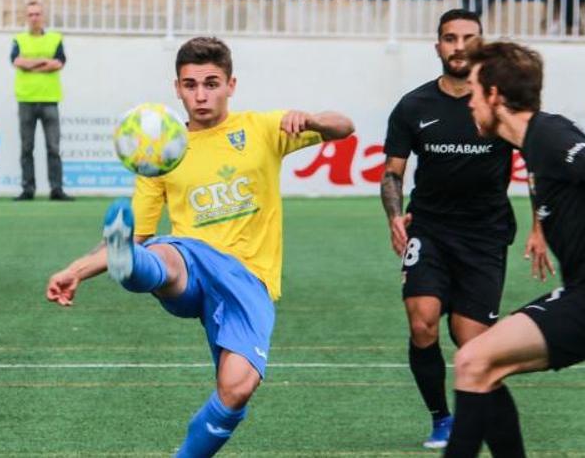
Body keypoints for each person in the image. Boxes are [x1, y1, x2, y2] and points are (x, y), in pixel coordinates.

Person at [45, 37, 355, 457]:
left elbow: (345, 126)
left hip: (250, 279)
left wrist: (314, 119)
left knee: (236, 389)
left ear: (231, 84)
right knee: (163, 254)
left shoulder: (261, 128)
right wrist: (76, 270)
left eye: (211, 83)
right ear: (177, 88)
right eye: (191, 85)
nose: (201, 95)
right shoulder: (165, 150)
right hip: (191, 263)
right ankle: (130, 269)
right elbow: (137, 234)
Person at [442, 41, 585, 457]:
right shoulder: (534, 142)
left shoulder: (551, 134)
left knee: (472, 361)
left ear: (495, 95)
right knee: (483, 366)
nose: (469, 101)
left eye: (474, 88)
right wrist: (542, 227)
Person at [381, 9, 546, 450]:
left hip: (485, 235)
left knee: (471, 341)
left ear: (480, 44)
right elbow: (393, 173)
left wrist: (538, 227)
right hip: (429, 230)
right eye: (450, 38)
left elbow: (536, 164)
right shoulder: (413, 106)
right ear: (438, 46)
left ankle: (483, 422)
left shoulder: (498, 103)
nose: (458, 46)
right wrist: (395, 215)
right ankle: (441, 420)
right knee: (423, 325)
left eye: (467, 37)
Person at [11, 1, 72, 201]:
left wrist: (30, 65)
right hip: (26, 100)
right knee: (26, 148)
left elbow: (58, 63)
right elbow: (17, 62)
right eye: (30, 14)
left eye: (37, 14)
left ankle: (56, 189)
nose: (34, 18)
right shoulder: (19, 39)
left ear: (43, 16)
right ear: (26, 17)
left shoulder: (55, 39)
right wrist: (43, 62)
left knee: (53, 148)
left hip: (49, 100)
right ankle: (28, 189)